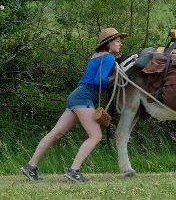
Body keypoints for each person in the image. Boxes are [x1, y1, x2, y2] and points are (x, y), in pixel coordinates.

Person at [21, 28, 128, 182]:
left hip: (76, 96)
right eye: (118, 41)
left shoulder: (95, 56)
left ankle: (30, 167)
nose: (121, 44)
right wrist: (114, 76)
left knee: (55, 133)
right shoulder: (109, 58)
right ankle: (74, 171)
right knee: (96, 135)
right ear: (109, 43)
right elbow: (99, 81)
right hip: (84, 97)